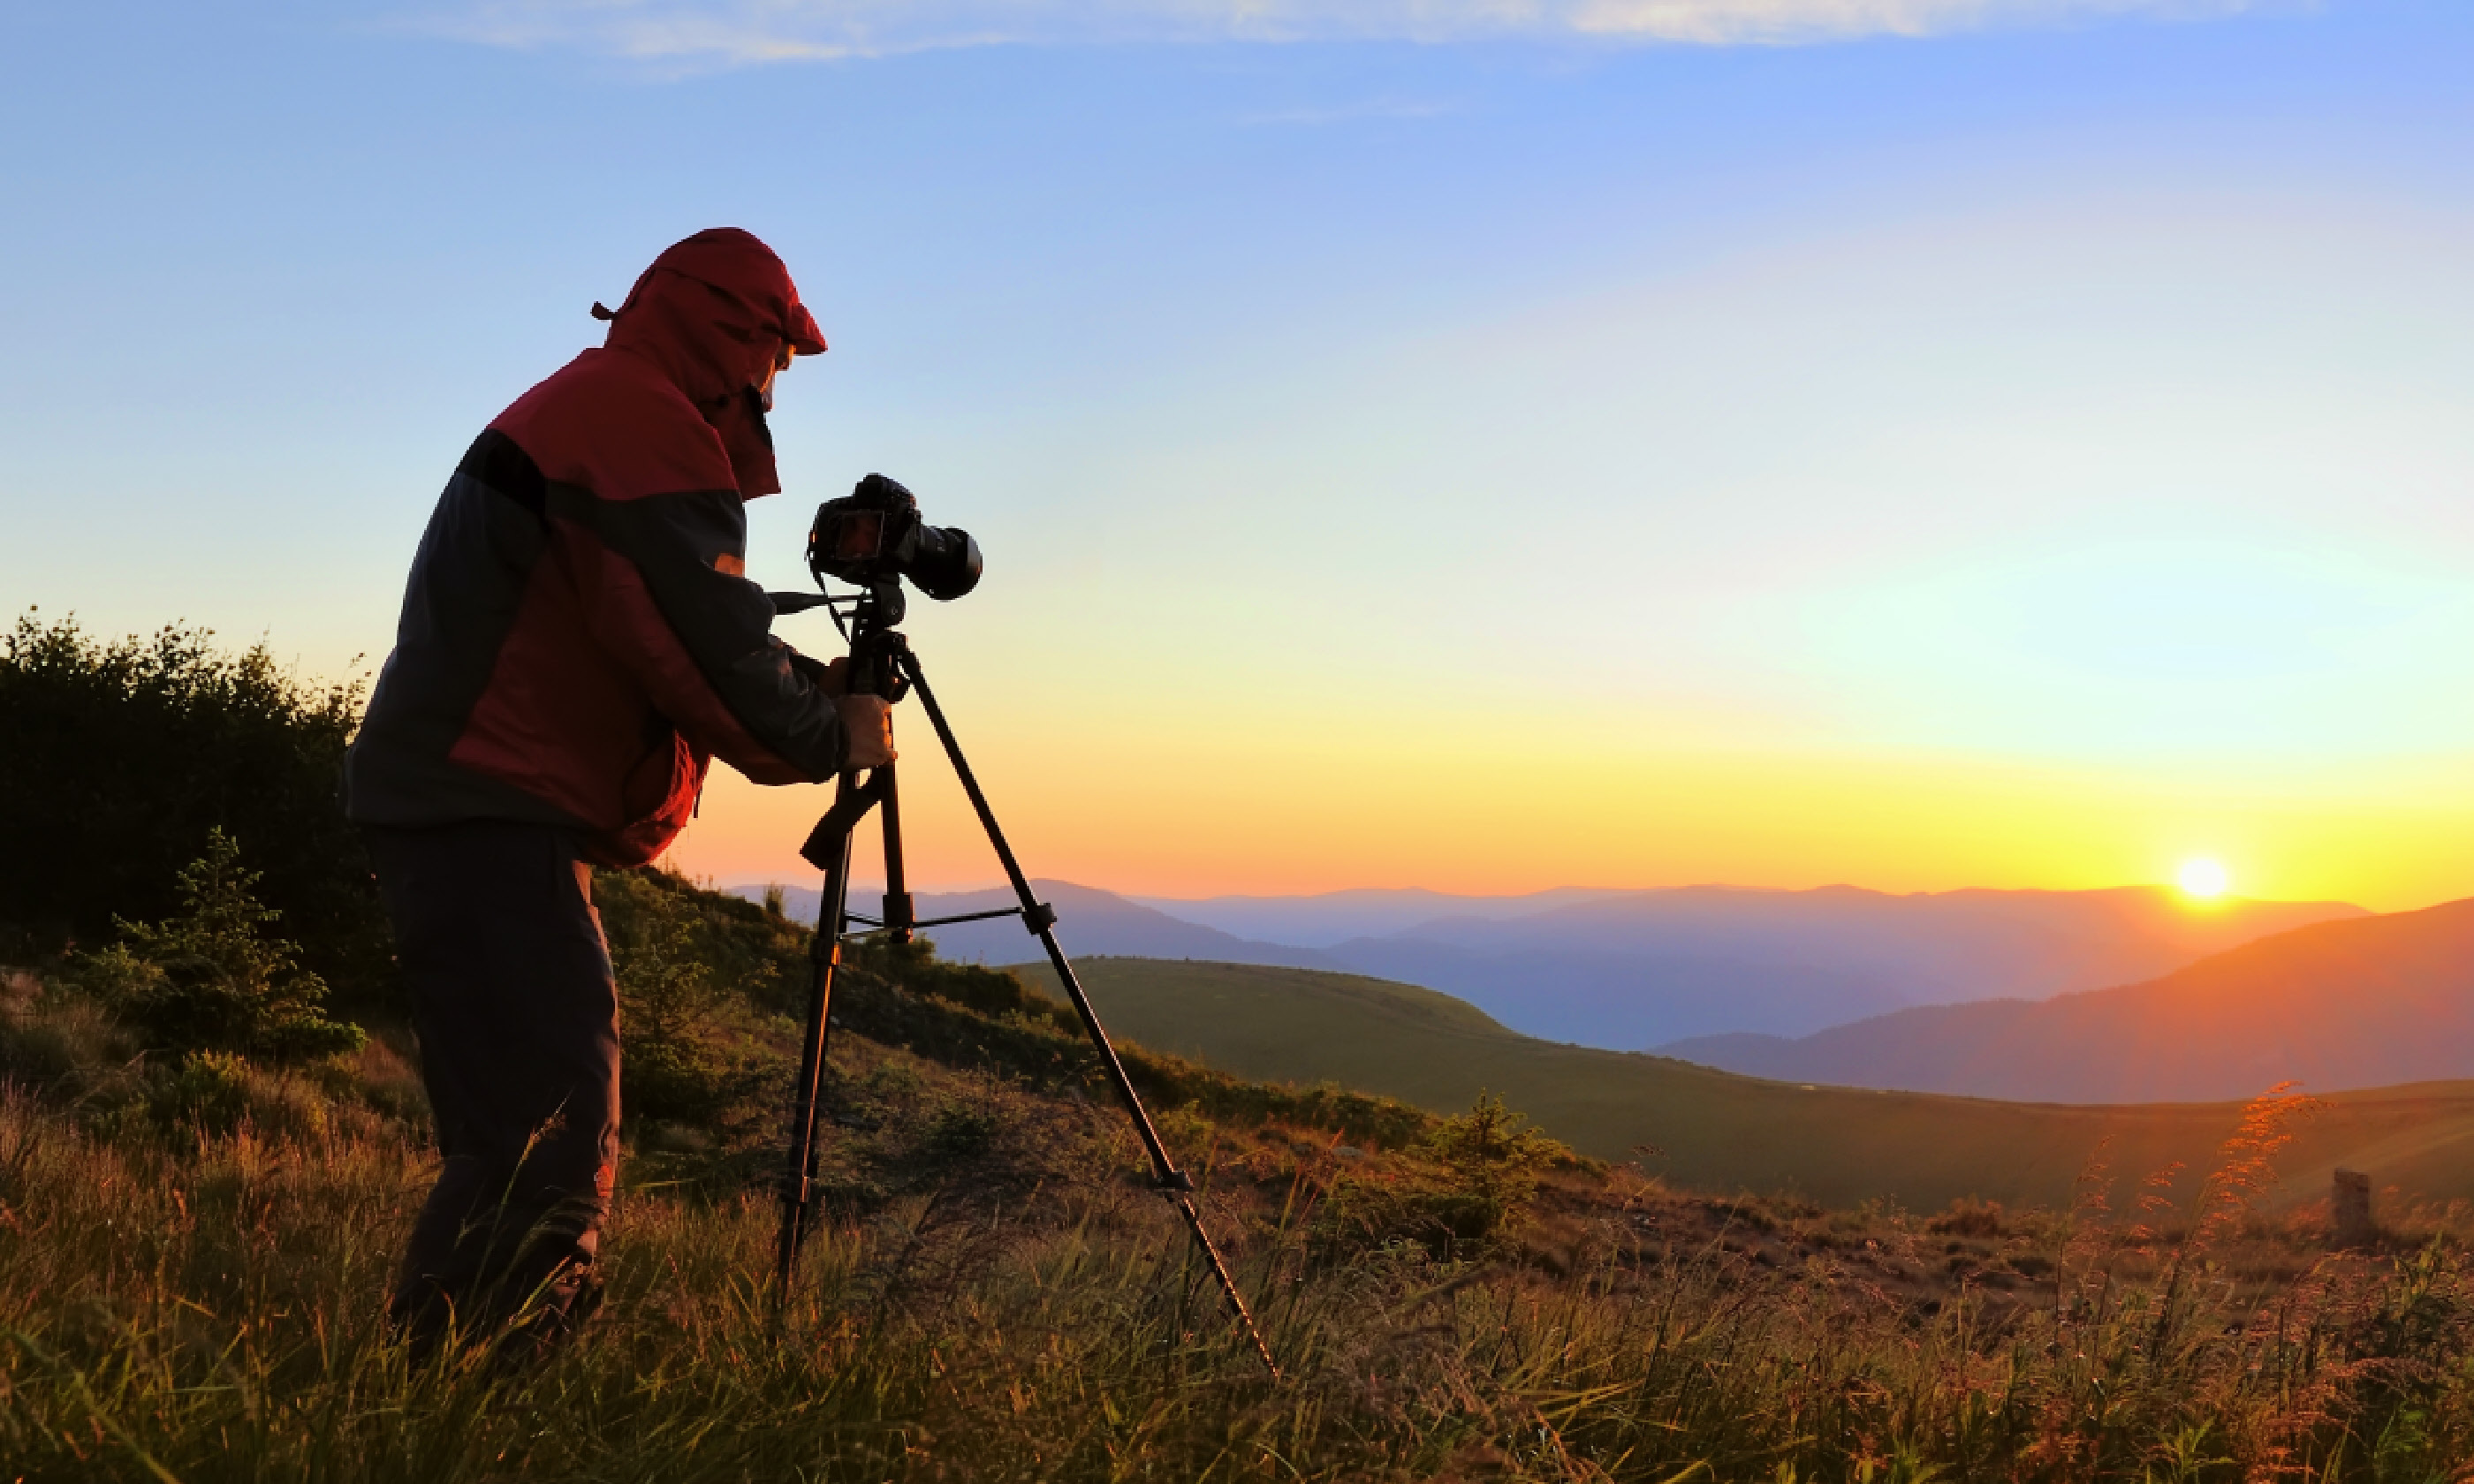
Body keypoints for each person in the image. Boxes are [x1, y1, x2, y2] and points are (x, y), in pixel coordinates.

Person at [343, 228, 890, 1355]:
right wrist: (830, 730)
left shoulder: (594, 399)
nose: (774, 383)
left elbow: (655, 619)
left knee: (511, 1126)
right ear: (731, 332)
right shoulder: (639, 424)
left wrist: (796, 686)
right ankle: (482, 1396)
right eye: (775, 355)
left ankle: (433, 1385)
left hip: (465, 800)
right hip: (488, 806)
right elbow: (699, 648)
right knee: (549, 1130)